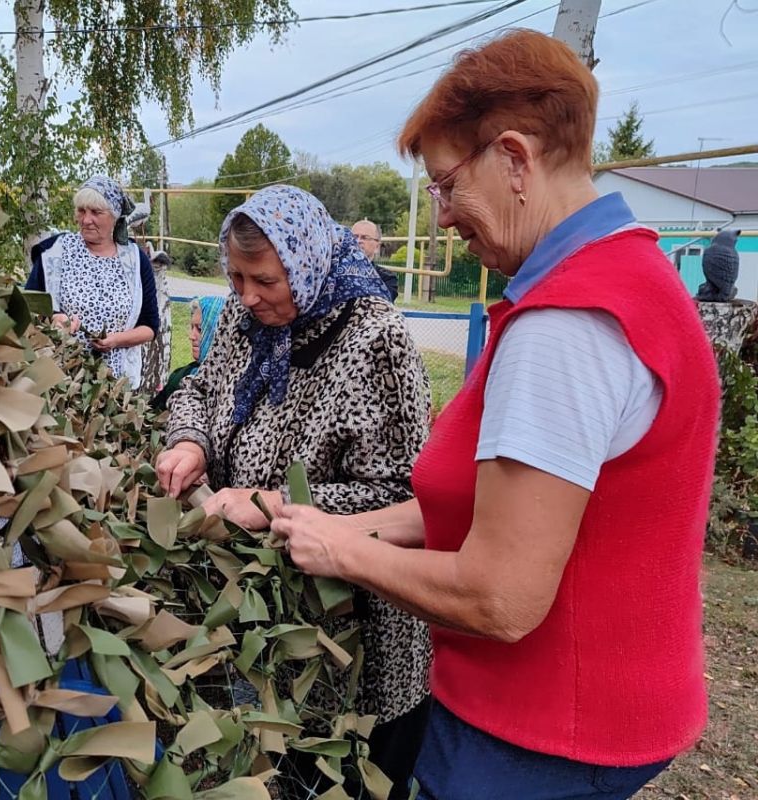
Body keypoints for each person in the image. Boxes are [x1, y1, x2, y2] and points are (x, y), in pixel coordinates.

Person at [270, 30, 720, 800]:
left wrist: (343, 554)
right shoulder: (631, 276)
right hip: (606, 715)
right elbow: (508, 509)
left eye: (446, 186)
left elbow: (499, 597)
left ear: (514, 159)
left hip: (536, 738)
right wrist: (337, 525)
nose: (444, 218)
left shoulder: (565, 329)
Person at [155, 184, 433, 797]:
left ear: (306, 264)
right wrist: (191, 443)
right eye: (235, 277)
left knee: (339, 776)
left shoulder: (374, 339)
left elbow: (403, 500)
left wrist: (269, 504)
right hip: (264, 622)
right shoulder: (245, 318)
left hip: (349, 640)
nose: (247, 295)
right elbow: (198, 387)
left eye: (265, 280)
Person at [26, 176, 159, 388]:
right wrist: (55, 318)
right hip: (61, 380)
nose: (86, 220)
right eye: (81, 211)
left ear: (114, 216)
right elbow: (28, 308)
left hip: (116, 384)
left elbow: (150, 326)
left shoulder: (135, 260)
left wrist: (116, 340)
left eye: (96, 212)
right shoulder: (55, 252)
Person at [152, 295, 225, 412]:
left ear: (220, 333)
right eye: (192, 327)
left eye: (200, 329)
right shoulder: (181, 376)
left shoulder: (231, 386)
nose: (191, 336)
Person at [352, 219, 399, 301]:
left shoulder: (387, 278)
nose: (358, 241)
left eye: (365, 238)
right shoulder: (334, 272)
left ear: (377, 247)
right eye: (354, 237)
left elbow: (381, 303)